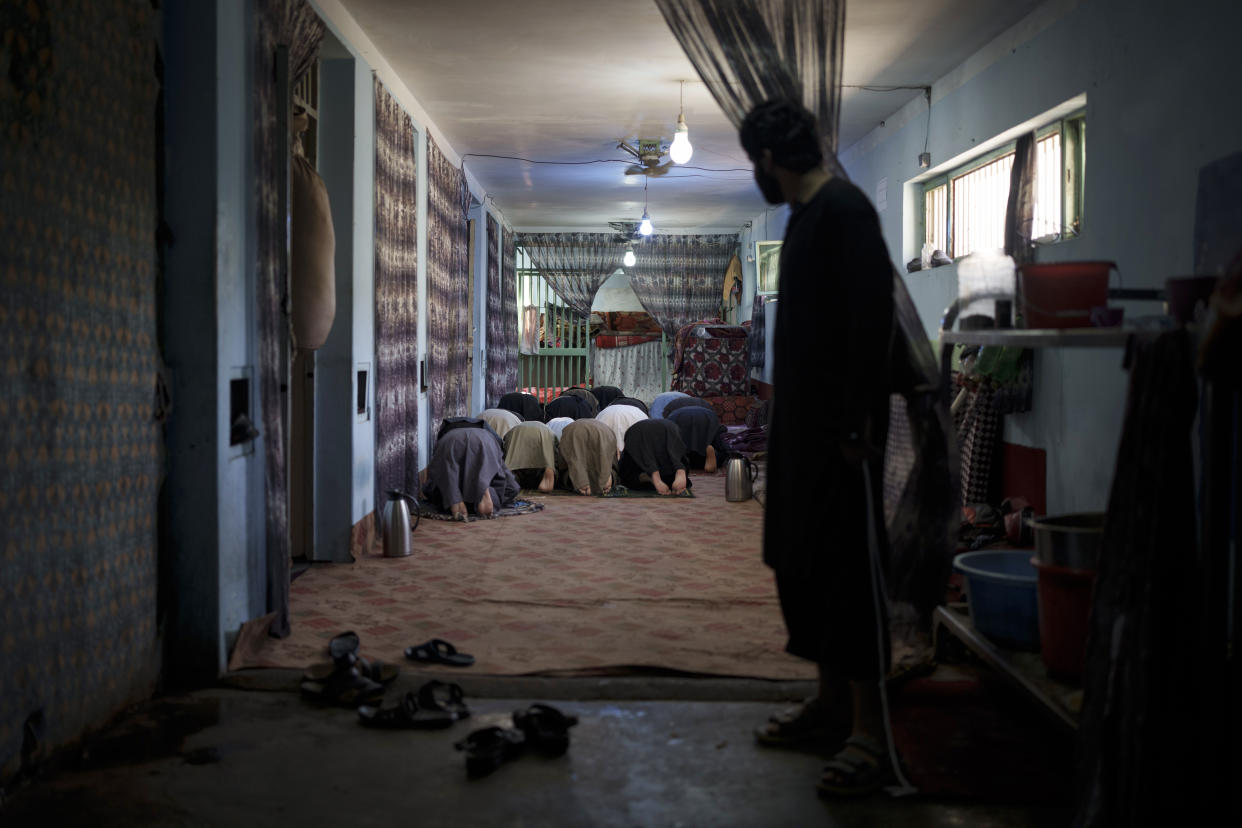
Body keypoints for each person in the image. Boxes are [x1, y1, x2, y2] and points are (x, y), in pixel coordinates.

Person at [739, 99, 895, 797]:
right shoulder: (803, 218)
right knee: (800, 563)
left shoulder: (845, 212)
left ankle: (869, 732)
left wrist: (857, 426)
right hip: (801, 430)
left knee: (847, 576)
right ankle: (830, 707)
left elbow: (871, 325)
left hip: (842, 436)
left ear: (770, 160)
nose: (757, 173)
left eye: (756, 162)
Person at [422, 426, 520, 521]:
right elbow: (512, 486)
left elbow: (433, 478)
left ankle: (454, 500)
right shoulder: (487, 431)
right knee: (500, 483)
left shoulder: (445, 432)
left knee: (445, 480)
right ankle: (482, 490)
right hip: (485, 441)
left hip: (448, 441)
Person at [617, 419, 690, 496]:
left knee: (627, 473)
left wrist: (654, 476)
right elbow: (679, 453)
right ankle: (672, 474)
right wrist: (680, 470)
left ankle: (646, 475)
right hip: (668, 429)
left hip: (639, 432)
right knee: (674, 459)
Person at [556, 418, 618, 496]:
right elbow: (613, 458)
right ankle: (607, 478)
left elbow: (563, 462)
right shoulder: (604, 428)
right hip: (604, 432)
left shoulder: (566, 428)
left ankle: (581, 483)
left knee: (574, 458)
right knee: (605, 458)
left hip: (574, 431)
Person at [665, 405, 727, 473]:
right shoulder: (708, 413)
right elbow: (721, 443)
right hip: (707, 418)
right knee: (714, 441)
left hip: (680, 419)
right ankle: (712, 456)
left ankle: (680, 462)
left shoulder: (674, 414)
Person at [502, 420, 558, 493]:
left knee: (511, 460)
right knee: (549, 457)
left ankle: (510, 477)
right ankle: (548, 472)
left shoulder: (514, 427)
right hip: (544, 433)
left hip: (516, 433)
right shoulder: (549, 431)